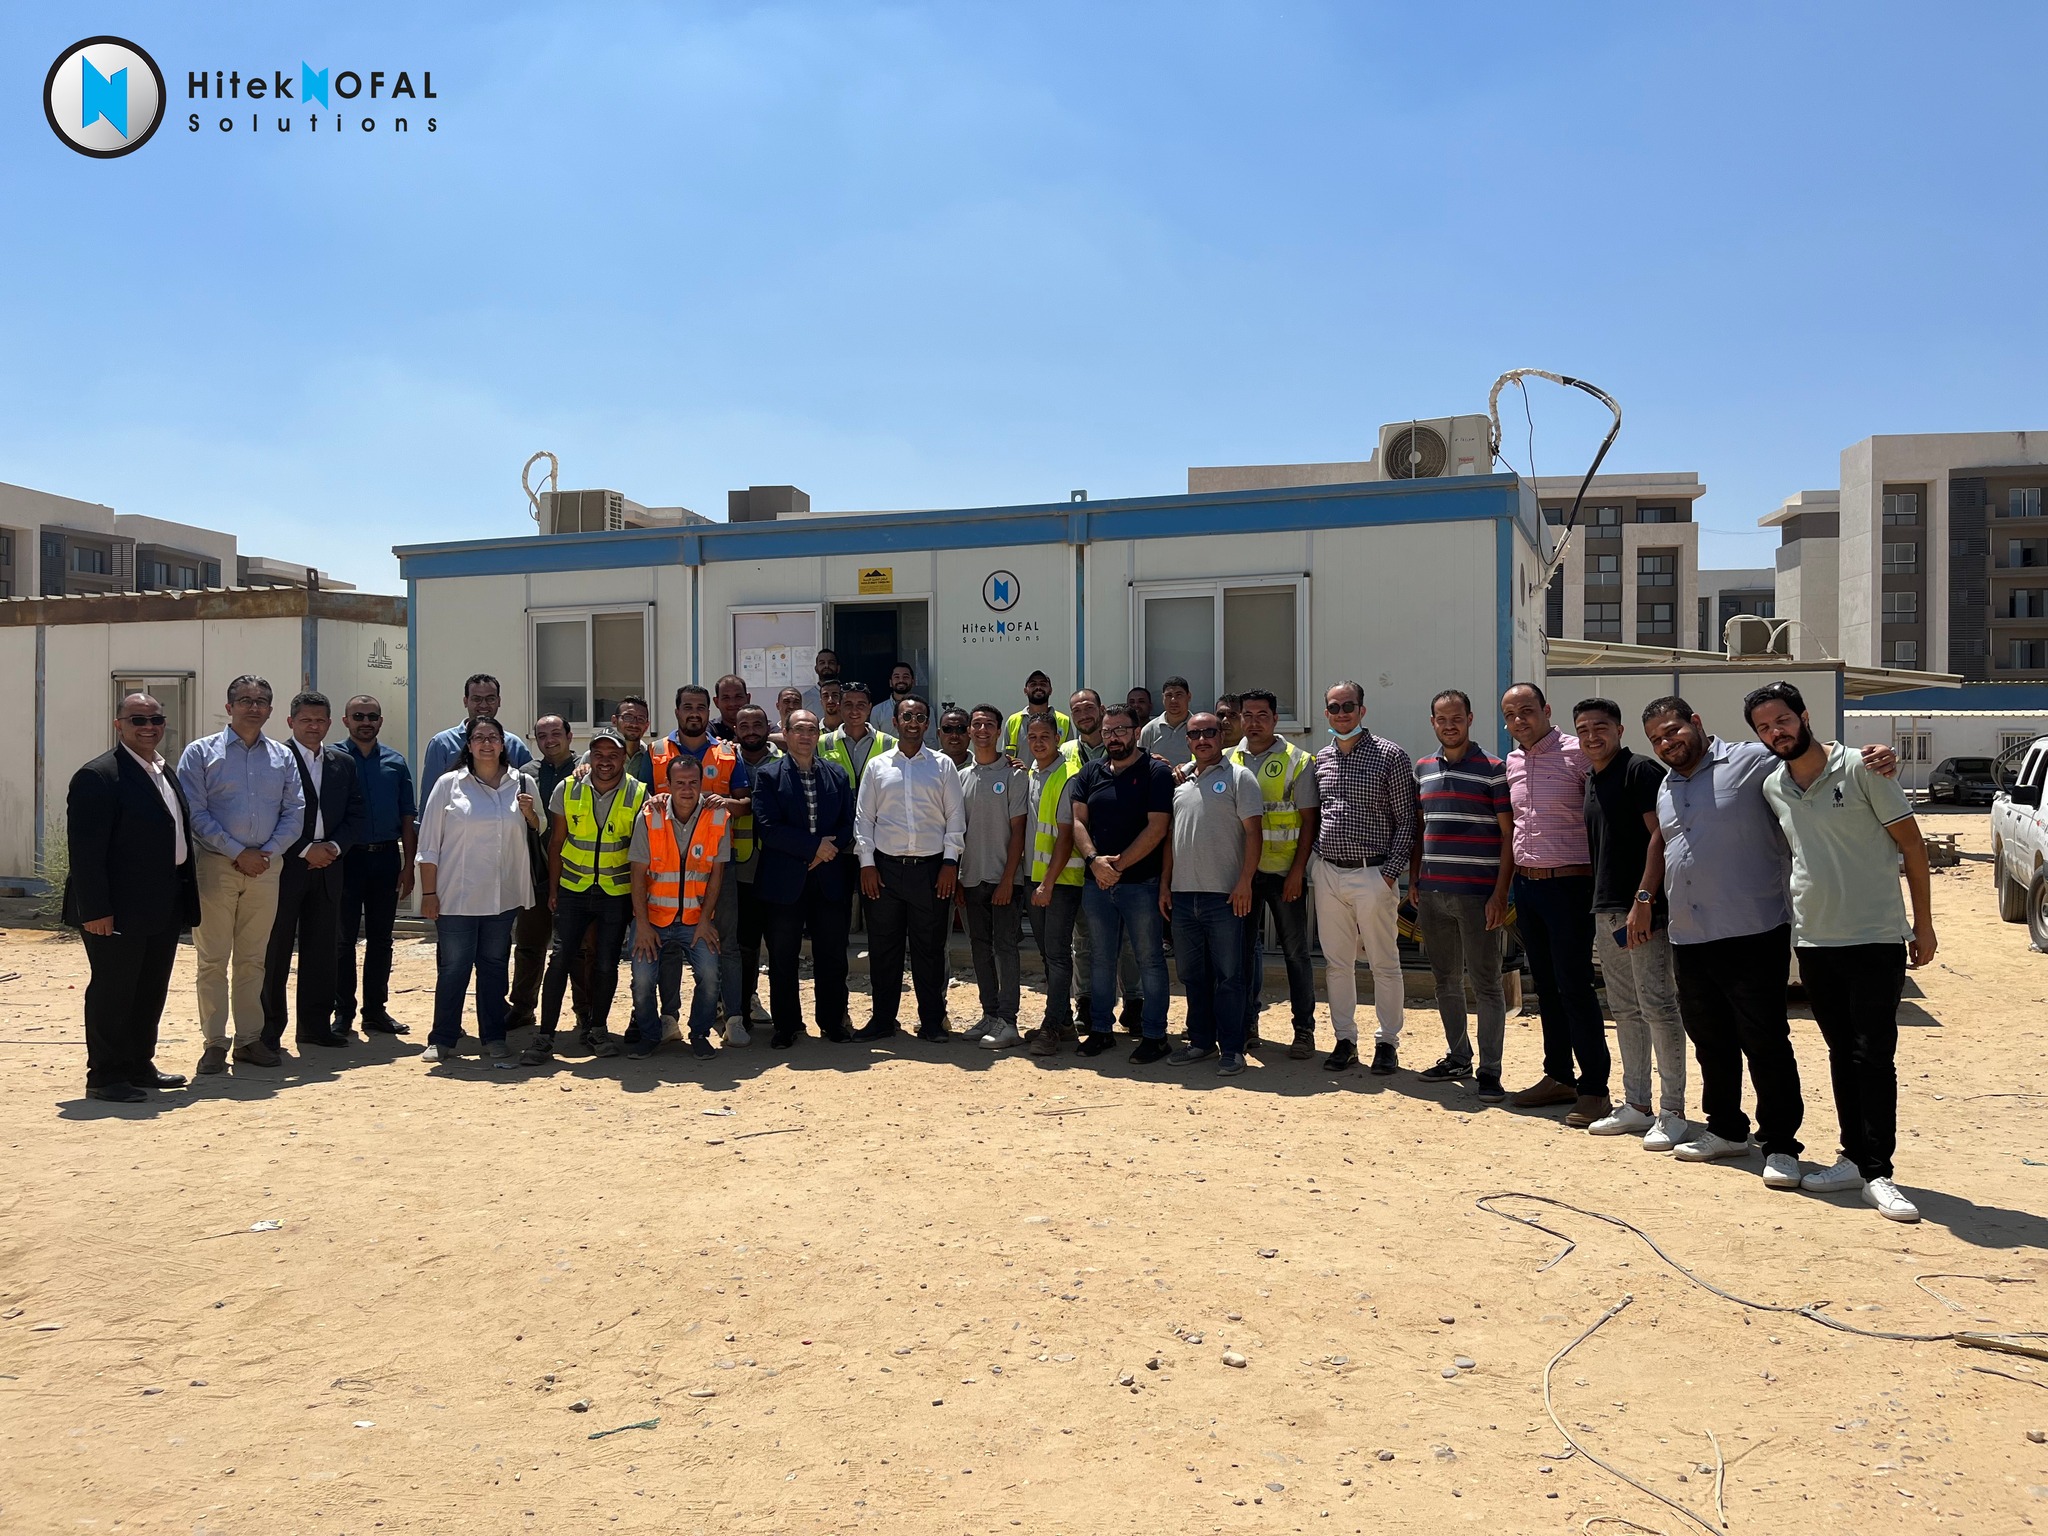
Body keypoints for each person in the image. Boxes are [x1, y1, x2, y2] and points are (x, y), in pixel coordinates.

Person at [1645, 697, 1892, 1179]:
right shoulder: (1667, 784)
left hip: (1753, 929)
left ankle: (1780, 1144)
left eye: (1672, 730)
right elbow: (1667, 843)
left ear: (1696, 722)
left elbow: (1808, 756)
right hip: (1689, 934)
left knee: (1765, 1041)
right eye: (1656, 739)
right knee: (1710, 1040)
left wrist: (1877, 756)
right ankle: (1727, 1129)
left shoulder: (1752, 759)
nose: (1667, 742)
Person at [1750, 681, 1933, 1221]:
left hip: (1875, 936)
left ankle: (1878, 1173)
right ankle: (1853, 1159)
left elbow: (1913, 846)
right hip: (1815, 940)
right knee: (1840, 1052)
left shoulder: (1862, 768)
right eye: (1764, 727)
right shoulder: (1774, 786)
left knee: (1873, 1054)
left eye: (1782, 720)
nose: (1776, 732)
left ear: (1804, 716)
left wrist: (1923, 926)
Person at [64, 692, 201, 1101]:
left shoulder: (163, 770)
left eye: (156, 720)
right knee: (114, 990)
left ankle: (139, 1064)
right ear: (118, 725)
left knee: (149, 989)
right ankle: (105, 1076)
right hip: (116, 908)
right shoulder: (99, 776)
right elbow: (85, 852)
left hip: (162, 901)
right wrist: (96, 910)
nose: (148, 727)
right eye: (138, 719)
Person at [1573, 697, 1689, 1149]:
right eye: (1583, 729)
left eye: (1600, 727)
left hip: (1642, 909)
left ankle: (1672, 1111)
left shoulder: (1639, 770)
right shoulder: (1592, 778)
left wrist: (1645, 898)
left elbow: (1661, 834)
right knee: (1624, 1010)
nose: (1591, 736)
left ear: (1619, 730)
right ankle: (1637, 1106)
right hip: (1607, 910)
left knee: (1658, 1006)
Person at [179, 675, 304, 1073]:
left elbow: (295, 811)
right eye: (245, 700)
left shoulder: (282, 757)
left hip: (265, 868)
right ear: (229, 707)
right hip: (217, 866)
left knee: (253, 959)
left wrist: (265, 853)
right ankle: (214, 1043)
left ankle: (249, 1039)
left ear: (270, 709)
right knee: (212, 959)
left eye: (261, 701)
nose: (254, 707)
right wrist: (237, 852)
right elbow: (194, 812)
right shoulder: (200, 753)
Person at [1499, 681, 1609, 1124]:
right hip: (1528, 888)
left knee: (1575, 987)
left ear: (1546, 710)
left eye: (1526, 711)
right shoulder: (1512, 761)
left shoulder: (1579, 754)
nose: (1519, 720)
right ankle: (1559, 1075)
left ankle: (1595, 1089)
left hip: (1571, 887)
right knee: (1544, 987)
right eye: (1510, 715)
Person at [415, 717, 546, 1065]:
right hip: (456, 897)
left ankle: (494, 1037)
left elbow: (540, 826)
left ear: (503, 744)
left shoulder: (522, 782)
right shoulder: (448, 784)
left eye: (493, 737)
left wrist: (530, 813)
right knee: (454, 968)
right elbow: (428, 844)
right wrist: (428, 893)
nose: (486, 743)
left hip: (502, 898)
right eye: (479, 737)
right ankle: (442, 1038)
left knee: (494, 968)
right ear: (469, 745)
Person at [1406, 689, 1513, 1102]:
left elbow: (1509, 836)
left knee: (1487, 984)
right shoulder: (1423, 769)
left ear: (1470, 718)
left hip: (1478, 896)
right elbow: (1421, 829)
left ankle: (1490, 1071)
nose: (1449, 725)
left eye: (1456, 718)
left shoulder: (1494, 770)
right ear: (1432, 722)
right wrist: (1415, 879)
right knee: (1445, 981)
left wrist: (1500, 894)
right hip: (1433, 893)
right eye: (1441, 719)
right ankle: (1458, 1057)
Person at [1310, 681, 1417, 1075]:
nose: (1342, 714)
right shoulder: (1321, 759)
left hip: (1373, 873)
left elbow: (1407, 820)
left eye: (1348, 706)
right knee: (1336, 963)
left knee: (1383, 962)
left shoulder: (1390, 755)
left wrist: (1389, 874)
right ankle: (1345, 1039)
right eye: (1334, 707)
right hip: (1328, 872)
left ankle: (1387, 1042)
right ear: (1326, 713)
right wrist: (1316, 865)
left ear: (1362, 710)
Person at [523, 725, 646, 1064]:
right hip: (573, 889)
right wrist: (554, 889)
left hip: (615, 892)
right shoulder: (568, 788)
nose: (605, 761)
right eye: (599, 754)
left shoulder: (638, 793)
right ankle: (545, 1036)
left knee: (606, 962)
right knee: (560, 959)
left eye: (613, 755)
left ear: (623, 758)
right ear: (589, 756)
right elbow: (557, 843)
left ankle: (597, 1029)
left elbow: (641, 852)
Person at [260, 691, 366, 1053]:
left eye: (320, 720)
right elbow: (268, 814)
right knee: (276, 951)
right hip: (287, 865)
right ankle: (268, 1030)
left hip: (329, 866)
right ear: (291, 722)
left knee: (322, 949)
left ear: (330, 723)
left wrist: (333, 848)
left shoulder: (342, 763)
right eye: (306, 720)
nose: (313, 726)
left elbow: (356, 813)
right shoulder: (275, 759)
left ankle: (315, 1026)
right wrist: (305, 848)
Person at [854, 697, 964, 1041]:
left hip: (930, 872)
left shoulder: (942, 765)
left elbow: (955, 818)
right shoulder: (878, 766)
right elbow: (864, 819)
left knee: (928, 949)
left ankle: (931, 1021)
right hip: (884, 871)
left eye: (920, 717)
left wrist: (950, 862)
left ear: (927, 724)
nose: (913, 722)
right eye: (907, 716)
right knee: (883, 949)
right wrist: (867, 864)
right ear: (895, 722)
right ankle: (883, 1020)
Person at [1070, 703, 1176, 1062]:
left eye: (1120, 730)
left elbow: (1158, 828)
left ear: (1136, 732)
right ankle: (1101, 1030)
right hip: (1097, 884)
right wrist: (1093, 861)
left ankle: (1155, 1036)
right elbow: (1078, 822)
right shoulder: (1091, 771)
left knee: (1149, 959)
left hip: (1141, 884)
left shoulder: (1156, 772)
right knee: (1101, 959)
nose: (1113, 737)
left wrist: (1117, 865)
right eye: (1107, 731)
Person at [1162, 712, 1262, 1076]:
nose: (1202, 739)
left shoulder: (1240, 777)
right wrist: (1165, 885)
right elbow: (1170, 839)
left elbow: (1254, 833)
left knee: (1230, 976)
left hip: (1225, 896)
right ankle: (1201, 1042)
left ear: (1221, 736)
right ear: (1187, 740)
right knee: (1192, 975)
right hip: (1183, 896)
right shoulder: (1180, 783)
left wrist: (1245, 881)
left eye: (1209, 732)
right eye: (1195, 734)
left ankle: (1232, 1049)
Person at [653, 685, 754, 1041]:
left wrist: (725, 803)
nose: (694, 713)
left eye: (700, 707)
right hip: (666, 866)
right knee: (668, 944)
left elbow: (746, 804)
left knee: (727, 942)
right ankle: (668, 1019)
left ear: (709, 712)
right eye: (687, 707)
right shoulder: (656, 752)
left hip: (716, 862)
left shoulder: (727, 752)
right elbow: (640, 798)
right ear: (677, 711)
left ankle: (734, 1019)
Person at [752, 709, 857, 1047]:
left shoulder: (837, 774)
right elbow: (767, 827)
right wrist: (813, 848)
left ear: (818, 735)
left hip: (829, 878)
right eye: (798, 729)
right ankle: (787, 1026)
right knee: (783, 957)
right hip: (785, 881)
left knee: (832, 955)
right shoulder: (768, 776)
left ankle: (832, 1021)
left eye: (812, 729)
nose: (805, 735)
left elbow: (848, 822)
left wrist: (826, 851)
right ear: (785, 733)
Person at [1228, 689, 1319, 1058]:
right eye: (1247, 715)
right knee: (1242, 954)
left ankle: (1304, 1031)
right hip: (1241, 877)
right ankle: (1248, 1026)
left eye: (1262, 715)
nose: (1254, 722)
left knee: (1296, 954)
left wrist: (1298, 871)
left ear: (1275, 719)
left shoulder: (1298, 760)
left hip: (1284, 875)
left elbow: (1309, 821)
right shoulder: (1227, 758)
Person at [626, 753, 728, 1060]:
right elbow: (637, 875)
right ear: (667, 785)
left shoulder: (718, 817)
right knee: (643, 981)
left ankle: (699, 1033)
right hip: (653, 920)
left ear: (702, 784)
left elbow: (716, 876)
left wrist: (706, 921)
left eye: (693, 783)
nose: (686, 789)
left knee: (710, 976)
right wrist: (642, 925)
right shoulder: (650, 816)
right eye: (680, 783)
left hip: (696, 921)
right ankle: (650, 1034)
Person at [334, 694, 417, 1037]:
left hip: (385, 859)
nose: (365, 722)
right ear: (346, 721)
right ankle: (342, 1014)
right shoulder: (333, 759)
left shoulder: (395, 762)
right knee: (343, 940)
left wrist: (408, 866)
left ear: (380, 721)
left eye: (372, 716)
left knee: (381, 939)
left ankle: (375, 1012)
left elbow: (408, 816)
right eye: (358, 716)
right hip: (346, 860)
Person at [1066, 688, 1141, 1032]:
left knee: (1129, 941)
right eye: (1076, 709)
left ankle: (1135, 1003)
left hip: (1125, 860)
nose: (1083, 714)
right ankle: (1086, 1003)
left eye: (1088, 707)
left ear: (1101, 710)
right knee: (1083, 941)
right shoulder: (1065, 752)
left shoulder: (1128, 750)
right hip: (1080, 863)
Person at [957, 705, 1028, 1049]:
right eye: (977, 724)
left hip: (1004, 881)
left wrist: (1007, 879)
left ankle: (1008, 1021)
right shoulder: (960, 777)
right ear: (969, 731)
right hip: (971, 878)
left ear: (1000, 731)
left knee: (1005, 948)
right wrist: (958, 877)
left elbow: (1019, 831)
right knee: (979, 948)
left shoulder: (1014, 775)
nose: (982, 729)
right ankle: (990, 1013)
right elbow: (956, 831)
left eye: (989, 724)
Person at [1022, 714, 1086, 1057]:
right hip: (1036, 877)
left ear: (1058, 737)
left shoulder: (1067, 775)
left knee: (1058, 955)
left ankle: (1050, 1027)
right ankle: (1064, 1023)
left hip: (1060, 880)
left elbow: (1065, 835)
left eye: (1044, 736)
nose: (1038, 742)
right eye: (1032, 736)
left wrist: (1047, 883)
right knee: (1049, 954)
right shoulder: (1033, 773)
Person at [726, 704, 781, 1031]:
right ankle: (740, 1010)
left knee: (779, 946)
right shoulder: (725, 761)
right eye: (744, 726)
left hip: (778, 866)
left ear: (767, 727)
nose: (750, 731)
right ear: (735, 729)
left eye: (757, 725)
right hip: (739, 866)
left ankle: (785, 1019)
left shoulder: (783, 761)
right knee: (743, 945)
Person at [420, 673, 534, 791]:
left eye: (490, 699)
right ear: (465, 701)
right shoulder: (442, 744)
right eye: (477, 699)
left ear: (499, 701)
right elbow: (430, 794)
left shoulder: (514, 745)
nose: (483, 705)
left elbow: (530, 785)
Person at [1001, 671, 1073, 755]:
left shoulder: (1064, 721)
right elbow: (1006, 757)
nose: (1038, 687)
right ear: (1025, 691)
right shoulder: (1012, 721)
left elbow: (1070, 755)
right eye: (1033, 684)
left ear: (1050, 690)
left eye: (1043, 684)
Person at [1139, 676, 1194, 765]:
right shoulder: (1149, 730)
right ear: (1163, 698)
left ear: (1189, 696)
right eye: (1169, 695)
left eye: (1179, 695)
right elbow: (1140, 762)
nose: (1173, 700)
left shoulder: (1198, 727)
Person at [606, 696, 655, 784]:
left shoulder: (652, 757)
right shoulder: (596, 756)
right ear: (614, 721)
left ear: (646, 726)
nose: (634, 724)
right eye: (628, 717)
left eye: (640, 719)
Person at [872, 662, 918, 734]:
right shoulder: (877, 710)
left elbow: (930, 739)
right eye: (897, 677)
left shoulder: (924, 709)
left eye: (905, 677)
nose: (901, 680)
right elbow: (874, 738)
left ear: (912, 682)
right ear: (890, 682)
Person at [802, 646, 842, 715]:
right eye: (822, 663)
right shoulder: (805, 698)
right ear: (816, 669)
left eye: (831, 662)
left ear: (838, 668)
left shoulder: (845, 695)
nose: (826, 666)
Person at [711, 675, 750, 742]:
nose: (732, 703)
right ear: (716, 702)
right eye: (726, 698)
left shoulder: (761, 726)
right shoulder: (710, 729)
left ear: (748, 699)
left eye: (738, 697)